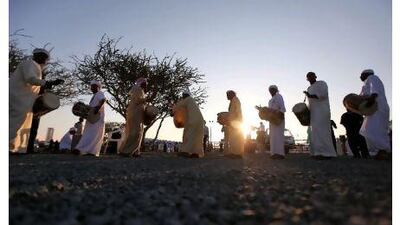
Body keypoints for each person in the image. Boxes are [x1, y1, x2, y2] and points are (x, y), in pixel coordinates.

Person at [9, 48, 63, 154]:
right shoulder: (29, 63)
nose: (45, 61)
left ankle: (14, 147)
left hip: (25, 99)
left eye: (46, 59)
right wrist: (48, 83)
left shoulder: (37, 67)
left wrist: (49, 84)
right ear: (37, 56)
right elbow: (30, 79)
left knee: (22, 123)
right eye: (44, 58)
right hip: (18, 97)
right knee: (15, 122)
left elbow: (36, 84)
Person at [358, 69, 391, 160]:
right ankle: (381, 151)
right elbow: (361, 97)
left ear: (366, 74)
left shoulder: (372, 78)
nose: (360, 77)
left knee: (373, 129)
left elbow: (374, 90)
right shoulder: (365, 84)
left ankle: (384, 151)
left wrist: (371, 100)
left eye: (361, 74)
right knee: (371, 130)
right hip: (372, 109)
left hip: (377, 107)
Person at [303, 72, 337, 159]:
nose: (310, 78)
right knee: (315, 132)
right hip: (313, 113)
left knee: (323, 131)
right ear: (307, 79)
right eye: (308, 77)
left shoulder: (321, 83)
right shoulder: (309, 88)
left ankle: (327, 153)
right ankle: (317, 152)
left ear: (315, 76)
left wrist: (310, 95)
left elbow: (323, 94)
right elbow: (310, 102)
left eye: (312, 76)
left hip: (322, 111)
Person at [73, 80, 107, 156]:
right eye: (91, 87)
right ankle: (82, 150)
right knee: (88, 134)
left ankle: (90, 151)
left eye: (94, 86)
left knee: (94, 135)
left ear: (98, 87)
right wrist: (82, 116)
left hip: (97, 118)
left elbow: (103, 100)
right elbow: (89, 109)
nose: (92, 88)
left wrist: (97, 108)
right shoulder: (94, 96)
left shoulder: (99, 93)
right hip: (91, 119)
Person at [118, 78, 147, 157]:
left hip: (136, 113)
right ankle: (126, 151)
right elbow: (138, 100)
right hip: (135, 114)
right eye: (145, 83)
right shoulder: (138, 89)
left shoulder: (139, 90)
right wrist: (147, 99)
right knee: (135, 132)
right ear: (142, 83)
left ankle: (135, 151)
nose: (146, 85)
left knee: (137, 132)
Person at [173, 89, 205, 158]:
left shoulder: (187, 99)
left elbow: (178, 106)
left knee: (188, 135)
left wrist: (173, 111)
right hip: (200, 121)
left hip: (192, 120)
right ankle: (196, 153)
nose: (182, 97)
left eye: (183, 95)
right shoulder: (192, 101)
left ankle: (185, 151)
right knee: (197, 137)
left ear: (185, 95)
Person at [267, 85, 286, 159]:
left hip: (278, 118)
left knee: (279, 136)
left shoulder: (279, 96)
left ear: (276, 90)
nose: (271, 91)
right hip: (272, 119)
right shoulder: (270, 100)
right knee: (273, 136)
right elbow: (269, 110)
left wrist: (279, 115)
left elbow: (282, 108)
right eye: (270, 90)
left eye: (273, 90)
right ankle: (273, 153)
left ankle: (280, 154)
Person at [225, 90, 244, 158]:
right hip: (232, 123)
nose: (227, 96)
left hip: (236, 122)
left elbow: (238, 111)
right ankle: (233, 152)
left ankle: (238, 154)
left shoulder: (236, 100)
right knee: (232, 138)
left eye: (228, 95)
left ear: (232, 94)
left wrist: (237, 122)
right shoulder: (232, 101)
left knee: (236, 138)